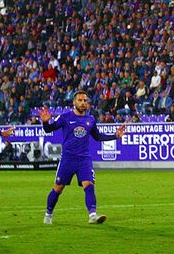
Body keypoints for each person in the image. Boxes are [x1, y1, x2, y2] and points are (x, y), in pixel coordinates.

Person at [40, 91, 125, 225]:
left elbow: (97, 137)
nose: (83, 103)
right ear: (74, 102)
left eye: (85, 100)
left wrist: (115, 136)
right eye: (80, 100)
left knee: (89, 185)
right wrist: (45, 122)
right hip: (68, 158)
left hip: (84, 159)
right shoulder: (65, 117)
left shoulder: (90, 120)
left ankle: (92, 215)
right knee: (58, 188)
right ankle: (48, 214)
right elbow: (48, 129)